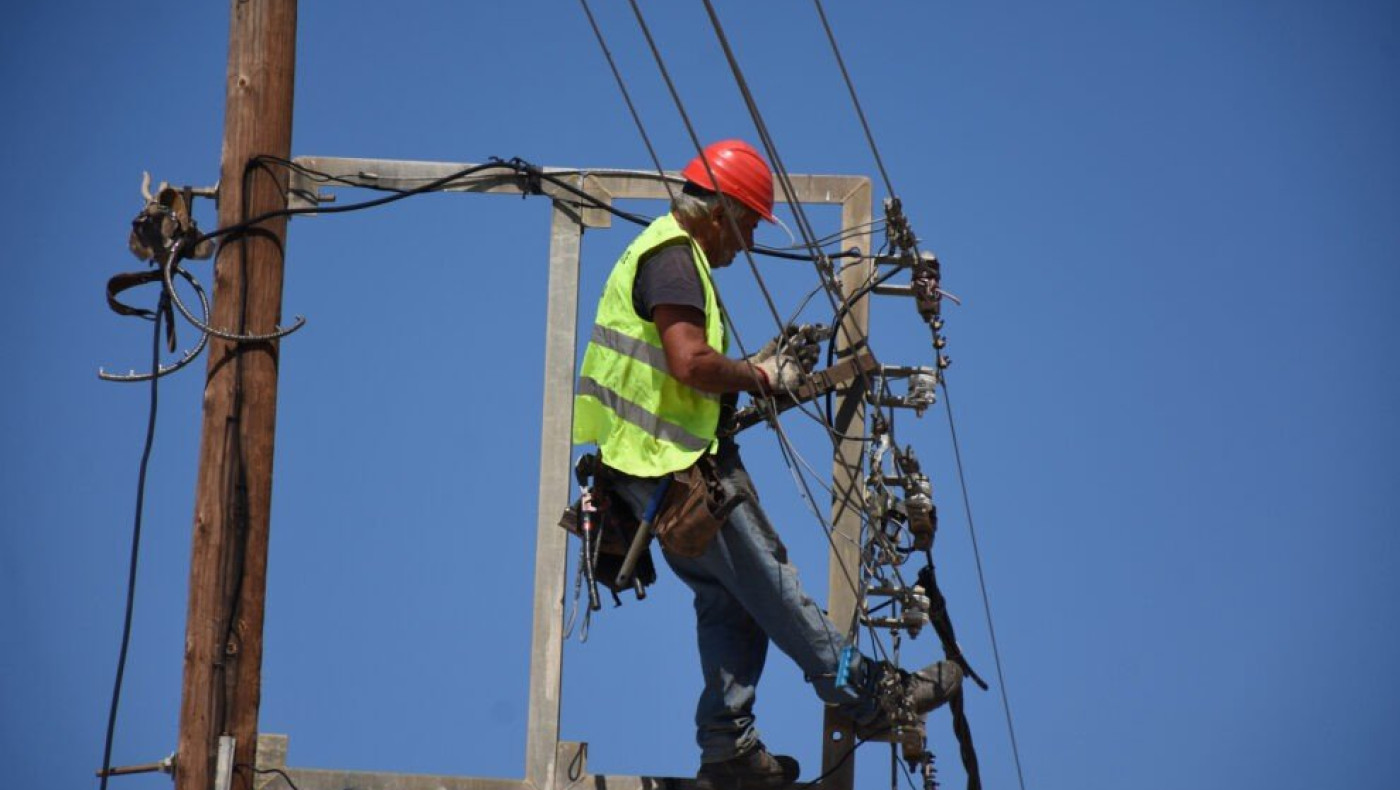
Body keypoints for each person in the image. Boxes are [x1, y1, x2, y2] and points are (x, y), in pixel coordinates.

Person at [572, 139, 961, 790]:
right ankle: (867, 697)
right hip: (679, 471)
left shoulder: (670, 255)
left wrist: (759, 370)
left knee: (733, 606)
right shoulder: (674, 258)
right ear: (718, 211)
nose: (749, 241)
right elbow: (690, 364)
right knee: (776, 591)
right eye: (749, 223)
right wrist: (757, 374)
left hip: (651, 479)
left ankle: (728, 749)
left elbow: (680, 377)